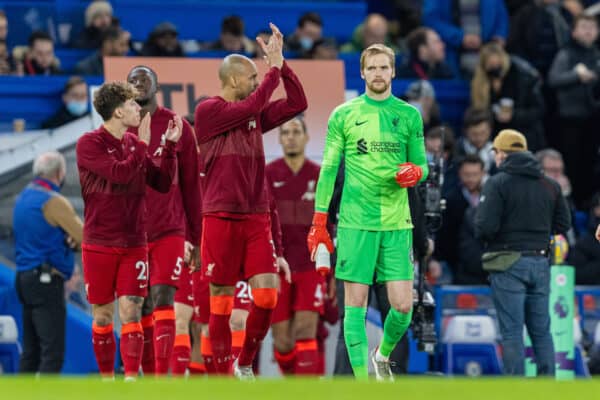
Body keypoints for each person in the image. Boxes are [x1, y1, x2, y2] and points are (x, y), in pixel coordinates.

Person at [308, 43, 428, 381]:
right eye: (371, 68)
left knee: (403, 308)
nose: (378, 74)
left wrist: (418, 173)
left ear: (393, 71)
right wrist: (319, 221)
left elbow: (421, 164)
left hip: (396, 223)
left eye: (383, 68)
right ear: (362, 72)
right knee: (354, 308)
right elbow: (329, 170)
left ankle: (382, 355)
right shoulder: (343, 115)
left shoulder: (408, 115)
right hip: (354, 223)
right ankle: (362, 382)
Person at [194, 22, 307, 380]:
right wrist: (272, 68)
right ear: (232, 82)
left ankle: (244, 363)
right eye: (253, 78)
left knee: (267, 297)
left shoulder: (254, 114)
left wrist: (283, 66)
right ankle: (222, 375)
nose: (259, 83)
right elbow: (258, 101)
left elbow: (298, 103)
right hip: (220, 216)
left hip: (256, 216)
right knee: (222, 302)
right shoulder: (208, 111)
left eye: (260, 77)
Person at [76, 81, 182, 380]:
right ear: (119, 111)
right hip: (99, 243)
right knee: (103, 315)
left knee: (132, 310)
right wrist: (145, 145)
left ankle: (132, 382)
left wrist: (171, 146)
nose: (140, 108)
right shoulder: (89, 143)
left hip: (135, 241)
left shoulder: (135, 143)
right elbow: (120, 174)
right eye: (134, 105)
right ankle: (109, 381)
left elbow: (161, 183)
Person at [474, 129, 571, 376]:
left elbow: (485, 227)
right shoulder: (550, 185)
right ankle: (547, 386)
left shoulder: (497, 183)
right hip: (540, 262)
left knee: (512, 332)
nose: (495, 157)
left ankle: (515, 389)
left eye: (495, 152)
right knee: (541, 331)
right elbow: (563, 225)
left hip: (507, 263)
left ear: (503, 154)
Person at [126, 65, 202, 375]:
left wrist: (195, 238)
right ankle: (144, 378)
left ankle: (161, 380)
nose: (139, 85)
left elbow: (191, 187)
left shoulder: (177, 125)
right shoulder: (119, 126)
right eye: (133, 81)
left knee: (162, 297)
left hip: (169, 229)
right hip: (131, 234)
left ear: (157, 87)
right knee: (137, 305)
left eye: (145, 80)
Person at [266, 117, 327, 375]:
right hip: (277, 267)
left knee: (305, 330)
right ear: (279, 139)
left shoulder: (319, 174)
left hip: (310, 265)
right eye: (285, 132)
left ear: (306, 137)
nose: (290, 137)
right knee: (282, 341)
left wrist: (329, 269)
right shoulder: (268, 174)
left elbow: (330, 223)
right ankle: (292, 384)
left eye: (296, 132)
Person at [13, 151, 83, 373]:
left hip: (24, 279)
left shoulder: (22, 197)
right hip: (46, 283)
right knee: (52, 353)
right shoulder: (53, 201)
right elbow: (84, 237)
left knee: (30, 352)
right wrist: (73, 243)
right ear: (60, 173)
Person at [548, 14, 600, 209]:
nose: (588, 30)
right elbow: (553, 80)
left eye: (592, 27)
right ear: (574, 31)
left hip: (593, 119)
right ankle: (572, 205)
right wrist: (576, 75)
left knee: (591, 164)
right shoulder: (566, 54)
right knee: (573, 164)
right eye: (584, 26)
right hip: (569, 120)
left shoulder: (596, 54)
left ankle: (589, 204)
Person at [471, 43, 546, 152]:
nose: (495, 71)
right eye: (491, 66)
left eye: (498, 65)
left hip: (524, 135)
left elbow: (539, 110)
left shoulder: (522, 78)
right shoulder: (480, 85)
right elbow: (478, 113)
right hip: (496, 139)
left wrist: (513, 115)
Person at [423, 0, 509, 77]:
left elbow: (501, 16)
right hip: (452, 59)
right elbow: (430, 19)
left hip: (487, 63)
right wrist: (459, 37)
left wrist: (499, 36)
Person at [455, 107, 495, 173]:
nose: (479, 138)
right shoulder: (456, 151)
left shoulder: (497, 152)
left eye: (483, 133)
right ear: (465, 132)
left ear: (490, 130)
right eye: (474, 134)